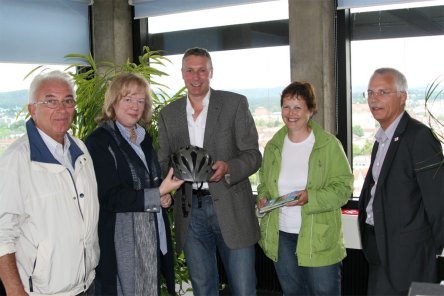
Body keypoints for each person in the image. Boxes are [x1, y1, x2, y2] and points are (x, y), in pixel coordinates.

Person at [158, 47, 262, 295]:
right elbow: (163, 161)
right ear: (182, 74)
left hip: (231, 207)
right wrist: (168, 186)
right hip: (190, 211)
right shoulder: (168, 114)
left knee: (244, 288)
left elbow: (253, 155)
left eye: (202, 70)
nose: (196, 77)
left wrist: (229, 167)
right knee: (203, 289)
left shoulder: (234, 104)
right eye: (190, 71)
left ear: (211, 72)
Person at [0, 70, 99, 295]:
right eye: (51, 101)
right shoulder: (16, 160)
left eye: (67, 101)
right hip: (42, 291)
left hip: (86, 285)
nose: (61, 109)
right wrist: (15, 290)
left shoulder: (81, 150)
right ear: (32, 109)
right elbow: (2, 234)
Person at [85, 73, 184, 295]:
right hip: (122, 243)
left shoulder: (143, 138)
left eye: (140, 101)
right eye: (128, 99)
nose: (135, 106)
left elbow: (152, 181)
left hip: (152, 237)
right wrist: (156, 193)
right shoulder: (99, 142)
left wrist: (164, 197)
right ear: (113, 102)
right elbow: (109, 197)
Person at [257, 81, 353, 295]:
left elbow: (343, 189)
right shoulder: (273, 146)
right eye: (286, 106)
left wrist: (311, 197)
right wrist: (263, 197)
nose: (291, 113)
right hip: (281, 236)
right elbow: (264, 182)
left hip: (318, 237)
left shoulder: (328, 145)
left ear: (311, 110)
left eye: (298, 107)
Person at [358, 68, 444, 295]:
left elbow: (438, 202)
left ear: (403, 97)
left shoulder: (419, 137)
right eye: (370, 92)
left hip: (409, 255)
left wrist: (427, 251)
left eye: (383, 92)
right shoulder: (381, 139)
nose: (374, 99)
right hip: (378, 246)